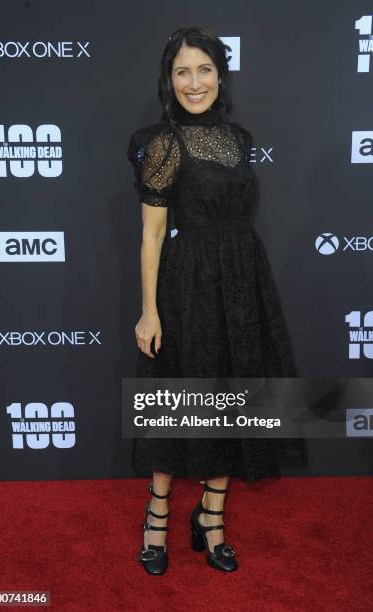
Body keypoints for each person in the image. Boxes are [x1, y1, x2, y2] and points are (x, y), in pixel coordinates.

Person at [127, 25, 307, 575]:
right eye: (183, 70)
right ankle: (157, 516)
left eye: (204, 68)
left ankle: (211, 516)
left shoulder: (241, 139)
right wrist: (150, 310)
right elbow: (153, 235)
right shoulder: (161, 141)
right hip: (187, 286)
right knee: (177, 399)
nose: (194, 81)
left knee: (234, 395)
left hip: (243, 280)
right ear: (169, 79)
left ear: (220, 75)